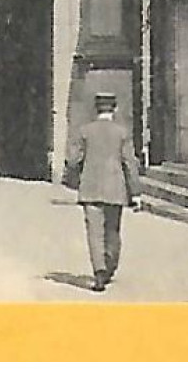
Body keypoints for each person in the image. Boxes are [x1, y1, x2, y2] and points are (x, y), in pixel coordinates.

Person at [66, 91, 143, 292]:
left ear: (96, 109)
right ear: (115, 109)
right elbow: (130, 164)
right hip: (115, 189)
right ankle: (109, 266)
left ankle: (99, 272)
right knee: (113, 230)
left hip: (90, 188)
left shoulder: (85, 131)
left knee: (94, 233)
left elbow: (73, 160)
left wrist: (75, 173)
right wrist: (135, 193)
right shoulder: (122, 133)